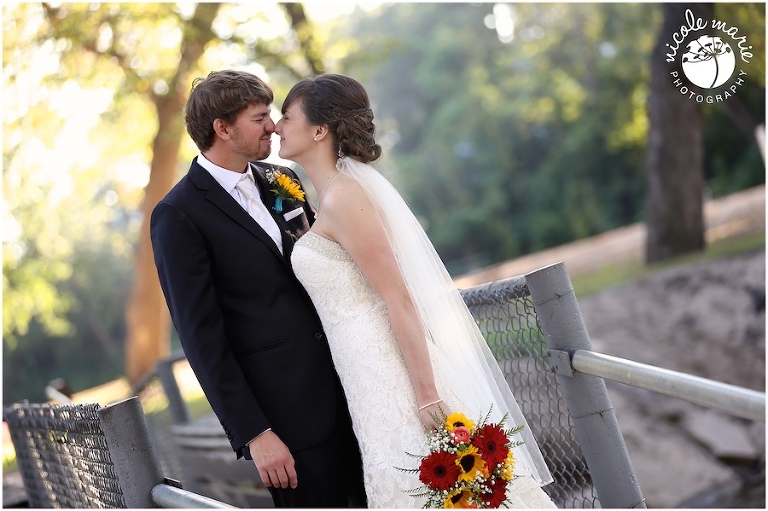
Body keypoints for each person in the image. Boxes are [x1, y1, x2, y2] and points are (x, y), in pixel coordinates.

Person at [276, 73, 557, 508]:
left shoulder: (345, 197)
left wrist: (427, 394)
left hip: (391, 371)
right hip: (363, 377)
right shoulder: (329, 196)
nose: (277, 126)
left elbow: (397, 296)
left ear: (318, 130)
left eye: (285, 116)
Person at [150, 70, 367, 508]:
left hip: (356, 386)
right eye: (259, 117)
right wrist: (255, 433)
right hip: (288, 422)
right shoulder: (178, 215)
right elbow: (201, 339)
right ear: (223, 129)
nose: (273, 125)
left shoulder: (279, 179)